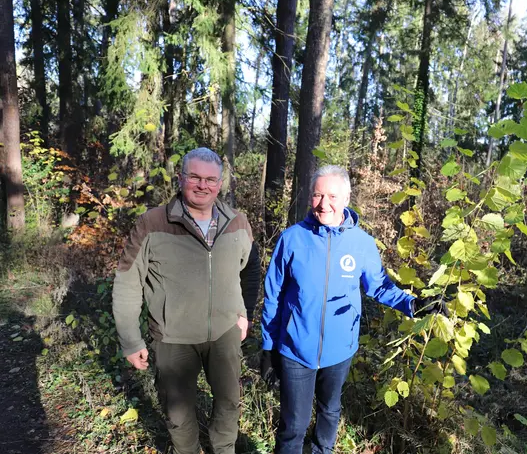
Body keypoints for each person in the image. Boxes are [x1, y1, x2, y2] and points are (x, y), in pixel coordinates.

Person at [260, 165, 443, 454]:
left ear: (346, 197)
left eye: (332, 196)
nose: (324, 204)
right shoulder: (292, 239)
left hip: (340, 350)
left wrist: (413, 305)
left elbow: (379, 286)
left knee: (330, 411)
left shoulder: (362, 244)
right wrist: (269, 348)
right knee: (293, 424)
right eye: (318, 195)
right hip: (295, 349)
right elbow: (273, 296)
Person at [112, 147, 260, 454]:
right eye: (194, 177)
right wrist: (131, 340)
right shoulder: (152, 223)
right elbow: (128, 281)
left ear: (221, 183)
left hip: (224, 332)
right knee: (178, 414)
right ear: (181, 178)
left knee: (229, 401)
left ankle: (224, 449)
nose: (202, 185)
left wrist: (243, 312)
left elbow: (251, 269)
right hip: (173, 337)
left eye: (210, 179)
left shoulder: (237, 222)